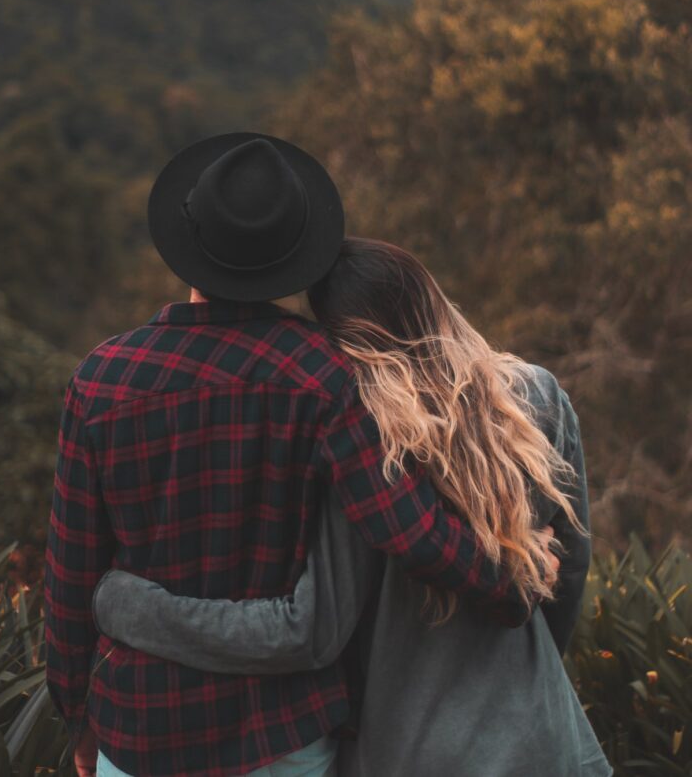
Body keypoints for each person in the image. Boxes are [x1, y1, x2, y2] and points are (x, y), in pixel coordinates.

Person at [44, 135, 555, 777]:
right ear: (290, 256)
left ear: (188, 248)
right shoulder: (326, 376)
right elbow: (408, 530)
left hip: (142, 729)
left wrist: (77, 714)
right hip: (280, 737)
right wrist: (510, 578)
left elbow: (70, 572)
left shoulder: (101, 380)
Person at [91, 236, 613, 776]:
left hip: (405, 749)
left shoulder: (369, 443)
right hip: (546, 742)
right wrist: (529, 682)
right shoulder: (535, 399)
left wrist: (130, 605)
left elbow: (309, 631)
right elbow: (566, 576)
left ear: (340, 341)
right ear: (432, 297)